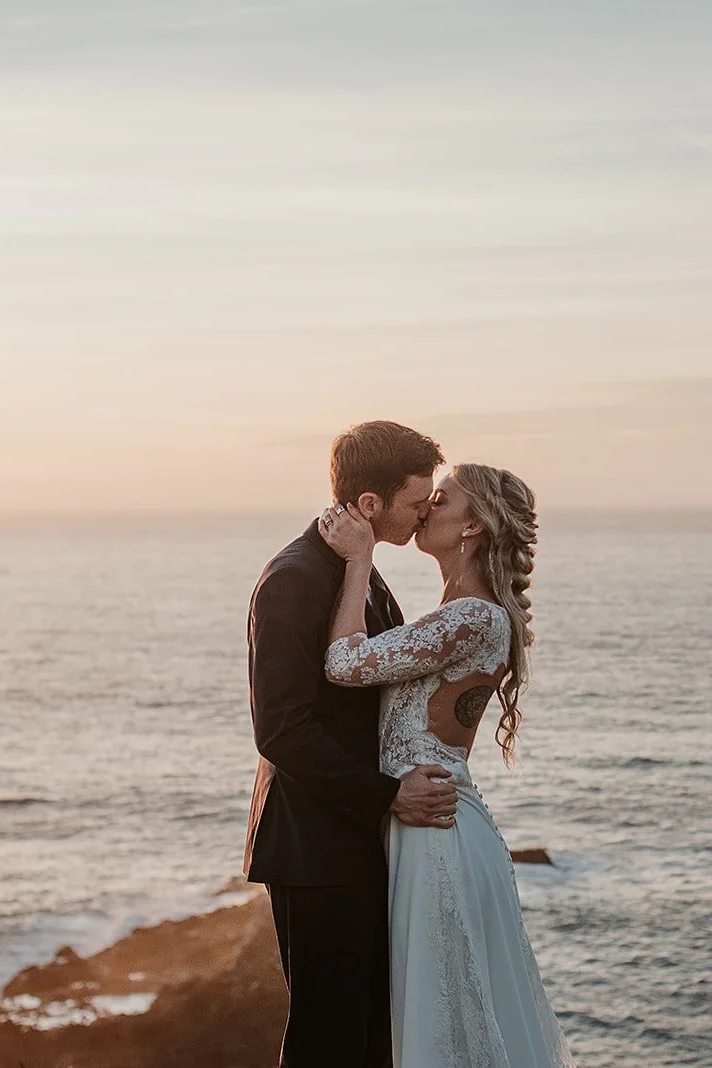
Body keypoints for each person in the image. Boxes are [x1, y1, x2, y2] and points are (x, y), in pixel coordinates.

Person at [319, 462, 575, 1067]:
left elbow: (344, 665)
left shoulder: (471, 617)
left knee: (440, 1026)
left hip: (434, 832)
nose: (426, 507)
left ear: (474, 526)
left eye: (441, 498)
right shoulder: (465, 611)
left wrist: (358, 561)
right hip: (437, 822)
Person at [243, 420, 462, 1068]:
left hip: (354, 841)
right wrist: (390, 796)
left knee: (369, 1034)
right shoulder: (295, 577)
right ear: (371, 505)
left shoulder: (355, 569)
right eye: (416, 500)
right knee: (328, 1038)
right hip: (315, 850)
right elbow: (282, 728)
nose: (426, 510)